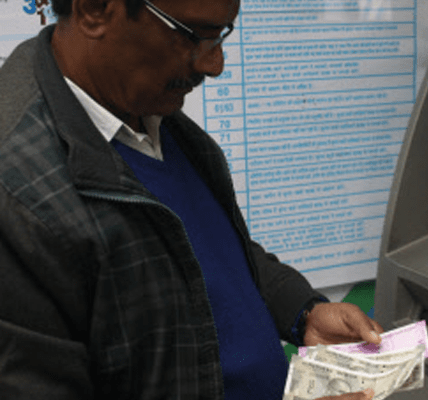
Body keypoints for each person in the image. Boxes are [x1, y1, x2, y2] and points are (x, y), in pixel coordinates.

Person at [0, 0, 383, 399]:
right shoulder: (17, 194)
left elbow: (206, 250)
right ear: (95, 10)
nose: (214, 64)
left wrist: (301, 312)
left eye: (219, 35)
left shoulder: (147, 115)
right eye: (192, 35)